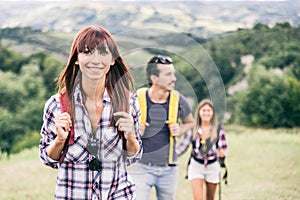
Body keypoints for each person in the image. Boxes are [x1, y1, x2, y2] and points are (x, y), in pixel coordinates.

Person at [39, 25, 143, 200]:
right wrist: (60, 141)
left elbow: (134, 157)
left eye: (103, 53)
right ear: (77, 59)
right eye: (87, 52)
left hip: (118, 194)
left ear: (112, 60)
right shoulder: (57, 105)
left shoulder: (128, 102)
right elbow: (47, 159)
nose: (96, 60)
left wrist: (131, 136)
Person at [129, 55, 194, 200]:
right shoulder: (136, 98)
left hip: (169, 169)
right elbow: (121, 125)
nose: (174, 78)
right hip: (141, 166)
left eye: (174, 74)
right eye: (168, 74)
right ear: (154, 79)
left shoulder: (178, 100)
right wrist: (135, 128)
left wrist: (180, 129)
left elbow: (190, 122)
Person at [177, 99, 227, 200]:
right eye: (203, 110)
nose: (206, 113)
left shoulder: (218, 129)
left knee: (210, 198)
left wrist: (222, 153)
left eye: (208, 111)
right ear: (199, 112)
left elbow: (224, 147)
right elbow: (183, 145)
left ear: (212, 113)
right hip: (196, 165)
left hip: (212, 165)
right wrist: (170, 156)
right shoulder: (193, 128)